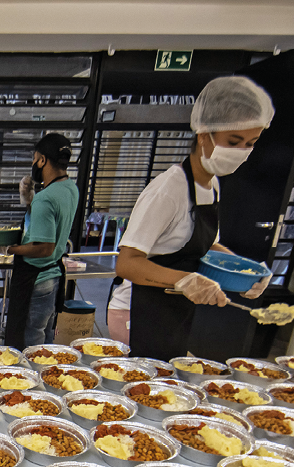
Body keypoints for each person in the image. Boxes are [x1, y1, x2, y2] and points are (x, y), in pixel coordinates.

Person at [110, 76, 275, 359]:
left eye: (251, 143)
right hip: (136, 311)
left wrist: (247, 273)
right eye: (233, 141)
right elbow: (126, 264)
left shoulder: (211, 186)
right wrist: (186, 280)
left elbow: (207, 247)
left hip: (174, 311)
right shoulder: (168, 190)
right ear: (203, 134)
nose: (242, 152)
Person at [2, 133, 80, 348]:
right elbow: (48, 227)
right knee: (45, 340)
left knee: (30, 343)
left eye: (34, 158)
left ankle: (29, 379)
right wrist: (30, 203)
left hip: (36, 279)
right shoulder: (70, 189)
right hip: (53, 276)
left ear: (43, 160)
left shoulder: (46, 198)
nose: (33, 163)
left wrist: (9, 249)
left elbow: (44, 248)